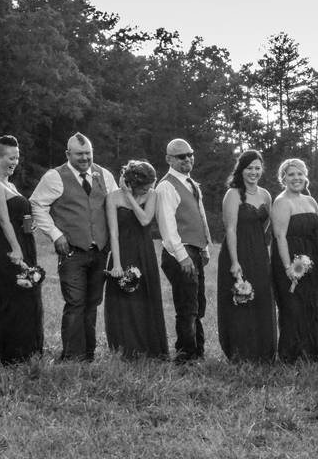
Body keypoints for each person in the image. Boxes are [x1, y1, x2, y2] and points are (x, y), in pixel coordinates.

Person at [31, 132, 118, 361]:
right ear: (68, 154)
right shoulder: (54, 176)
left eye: (88, 153)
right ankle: (70, 356)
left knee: (92, 303)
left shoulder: (105, 175)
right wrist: (55, 234)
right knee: (75, 302)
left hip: (100, 251)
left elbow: (115, 207)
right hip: (72, 251)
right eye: (79, 154)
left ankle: (88, 354)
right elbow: (37, 206)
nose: (85, 158)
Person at [0, 135, 44, 363]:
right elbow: (3, 220)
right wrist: (16, 249)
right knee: (13, 296)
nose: (14, 162)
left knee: (30, 295)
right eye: (10, 157)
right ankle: (6, 353)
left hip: (25, 243)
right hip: (7, 247)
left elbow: (19, 216)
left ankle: (28, 350)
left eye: (17, 157)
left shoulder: (11, 184)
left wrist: (30, 226)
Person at [156, 138, 214, 363]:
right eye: (182, 156)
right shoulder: (166, 186)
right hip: (180, 254)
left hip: (196, 250)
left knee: (197, 305)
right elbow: (168, 229)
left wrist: (205, 247)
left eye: (190, 154)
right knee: (187, 307)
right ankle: (185, 357)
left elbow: (200, 216)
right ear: (169, 159)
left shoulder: (191, 183)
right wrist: (183, 257)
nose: (188, 158)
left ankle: (198, 352)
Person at [104, 160, 168, 360]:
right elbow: (113, 233)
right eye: (144, 187)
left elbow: (145, 219)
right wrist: (116, 264)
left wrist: (131, 197)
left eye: (150, 186)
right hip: (121, 251)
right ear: (131, 183)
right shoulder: (112, 198)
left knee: (145, 299)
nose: (148, 190)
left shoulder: (153, 194)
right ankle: (125, 347)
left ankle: (148, 348)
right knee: (123, 301)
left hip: (144, 253)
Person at [218, 150, 276, 363]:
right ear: (241, 170)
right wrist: (234, 262)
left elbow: (266, 224)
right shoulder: (232, 194)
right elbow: (230, 229)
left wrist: (259, 245)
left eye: (257, 168)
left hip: (259, 252)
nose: (254, 172)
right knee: (240, 299)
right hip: (237, 251)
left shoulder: (266, 195)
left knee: (260, 295)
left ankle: (263, 350)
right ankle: (241, 352)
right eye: (249, 168)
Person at [271, 158, 318, 363]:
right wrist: (288, 268)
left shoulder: (310, 201)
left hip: (312, 261)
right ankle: (291, 357)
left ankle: (312, 355)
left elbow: (316, 233)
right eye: (291, 174)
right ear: (283, 177)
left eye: (300, 174)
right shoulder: (282, 202)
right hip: (289, 260)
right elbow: (280, 237)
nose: (296, 178)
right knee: (293, 308)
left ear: (305, 177)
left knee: (311, 307)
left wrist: (315, 261)